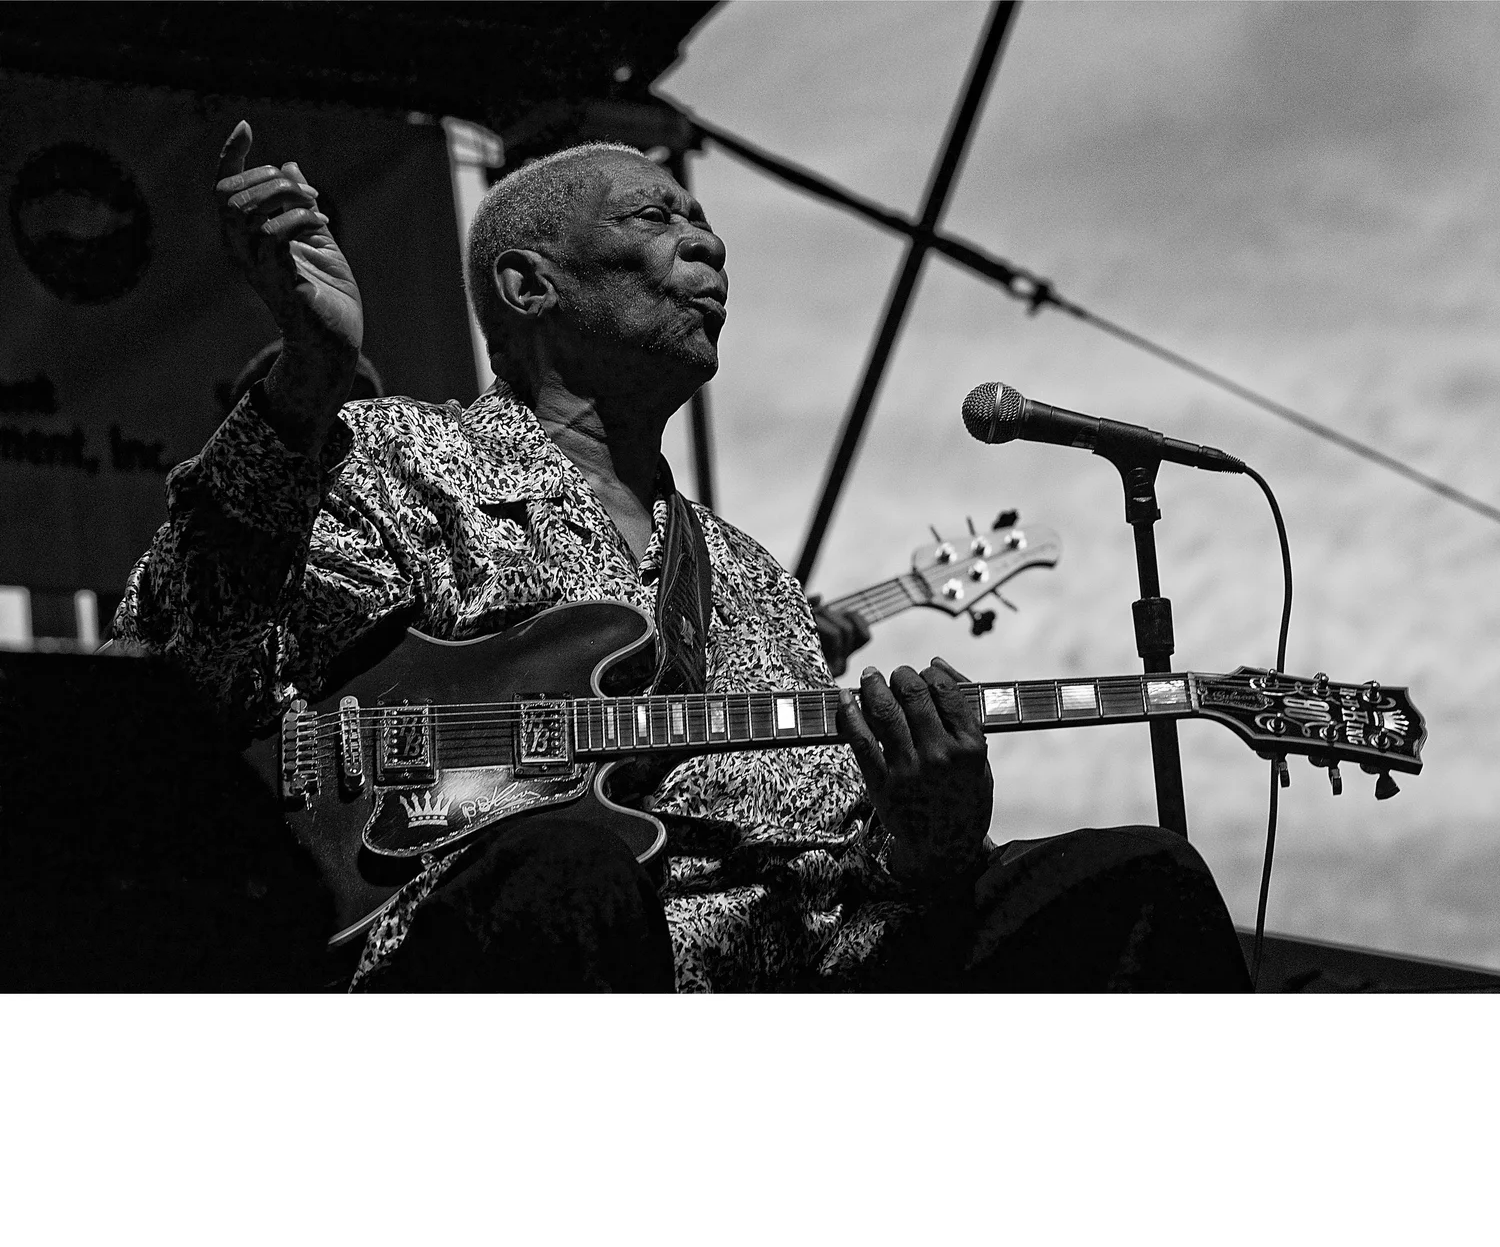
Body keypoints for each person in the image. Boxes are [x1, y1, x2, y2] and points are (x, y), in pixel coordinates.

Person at [112, 120, 1251, 992]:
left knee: (1138, 879)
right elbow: (181, 664)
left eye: (705, 227)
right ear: (529, 285)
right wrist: (307, 376)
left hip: (749, 993)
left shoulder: (753, 586)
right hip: (477, 963)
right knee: (567, 872)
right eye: (656, 220)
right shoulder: (394, 457)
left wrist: (926, 843)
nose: (705, 243)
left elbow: (830, 904)